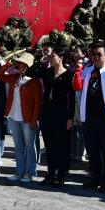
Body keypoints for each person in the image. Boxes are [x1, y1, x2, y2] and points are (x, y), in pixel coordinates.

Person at [73, 41, 105, 193]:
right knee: (92, 150)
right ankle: (95, 177)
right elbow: (77, 86)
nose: (95, 57)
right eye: (93, 54)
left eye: (99, 54)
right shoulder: (88, 70)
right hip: (88, 116)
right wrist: (78, 69)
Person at [28, 47, 75, 187]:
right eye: (50, 56)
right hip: (47, 111)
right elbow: (30, 72)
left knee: (62, 144)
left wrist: (70, 118)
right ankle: (50, 173)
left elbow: (72, 99)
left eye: (53, 56)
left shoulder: (69, 75)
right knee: (49, 144)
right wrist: (40, 61)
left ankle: (61, 175)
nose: (50, 58)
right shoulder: (47, 72)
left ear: (61, 58)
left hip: (62, 112)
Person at [0, 52, 43, 182]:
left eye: (20, 64)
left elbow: (38, 103)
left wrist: (34, 120)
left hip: (28, 119)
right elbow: (0, 75)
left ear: (27, 66)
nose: (18, 66)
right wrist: (9, 64)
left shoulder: (35, 82)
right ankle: (19, 171)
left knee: (29, 146)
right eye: (17, 64)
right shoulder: (14, 77)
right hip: (13, 116)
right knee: (18, 146)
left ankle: (30, 172)